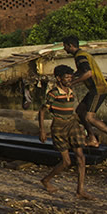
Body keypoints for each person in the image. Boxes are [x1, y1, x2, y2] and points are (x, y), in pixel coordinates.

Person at [61, 35, 107, 150]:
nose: (64, 49)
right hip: (95, 89)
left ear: (70, 46)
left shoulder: (80, 57)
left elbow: (88, 73)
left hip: (98, 89)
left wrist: (73, 82)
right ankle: (92, 138)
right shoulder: (82, 55)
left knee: (89, 117)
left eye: (65, 46)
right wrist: (72, 76)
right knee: (80, 110)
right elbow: (81, 71)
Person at [38, 65, 91, 199]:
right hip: (59, 127)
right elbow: (42, 111)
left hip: (72, 124)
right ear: (59, 78)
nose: (69, 79)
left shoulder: (71, 91)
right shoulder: (53, 93)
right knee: (66, 162)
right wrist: (42, 130)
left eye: (70, 77)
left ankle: (80, 190)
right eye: (66, 77)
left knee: (81, 157)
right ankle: (46, 179)